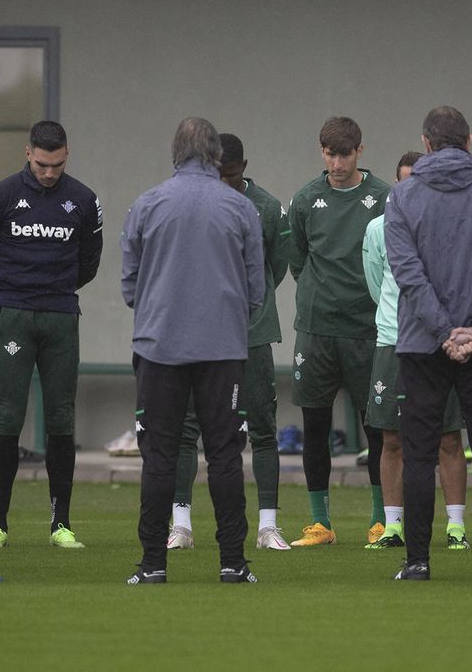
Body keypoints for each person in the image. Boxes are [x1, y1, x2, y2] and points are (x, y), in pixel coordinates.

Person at [122, 117, 264, 584]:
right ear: (216, 156)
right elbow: (256, 290)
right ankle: (233, 563)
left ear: (175, 153)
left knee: (159, 456)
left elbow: (129, 286)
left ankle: (152, 565)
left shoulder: (147, 204)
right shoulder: (240, 208)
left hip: (160, 347)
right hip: (222, 349)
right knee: (225, 455)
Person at [385, 106, 472, 582]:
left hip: (423, 344)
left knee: (419, 452)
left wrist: (444, 330)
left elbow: (407, 274)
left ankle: (418, 560)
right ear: (469, 141)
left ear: (425, 143)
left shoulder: (402, 196)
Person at [169, 133, 293, 552]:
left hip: (252, 332)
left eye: (233, 175)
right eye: (219, 174)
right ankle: (181, 525)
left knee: (262, 427)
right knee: (188, 428)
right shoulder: (193, 203)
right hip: (199, 332)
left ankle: (268, 526)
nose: (225, 182)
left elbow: (275, 267)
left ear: (244, 168)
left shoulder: (268, 208)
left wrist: (245, 303)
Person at [0, 120, 103, 551]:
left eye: (55, 165)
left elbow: (89, 262)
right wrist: (9, 294)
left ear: (66, 154)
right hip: (14, 314)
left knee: (60, 418)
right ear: (27, 153)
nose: (48, 173)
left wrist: (56, 288)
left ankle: (61, 525)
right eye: (40, 164)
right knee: (7, 417)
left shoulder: (84, 200)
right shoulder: (0, 196)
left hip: (60, 316)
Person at [286, 116, 390, 546]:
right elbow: (297, 260)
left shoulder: (383, 196)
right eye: (329, 153)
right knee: (314, 425)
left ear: (359, 152)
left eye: (344, 154)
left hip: (368, 329)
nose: (336, 162)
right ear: (321, 151)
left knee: (377, 427)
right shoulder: (307, 199)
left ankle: (382, 519)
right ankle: (320, 523)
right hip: (317, 330)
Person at [361, 151, 471, 552]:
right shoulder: (377, 228)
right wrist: (395, 319)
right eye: (404, 182)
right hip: (393, 340)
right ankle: (393, 527)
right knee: (392, 439)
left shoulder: (447, 224)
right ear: (395, 184)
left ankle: (455, 526)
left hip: (441, 342)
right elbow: (377, 283)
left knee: (447, 439)